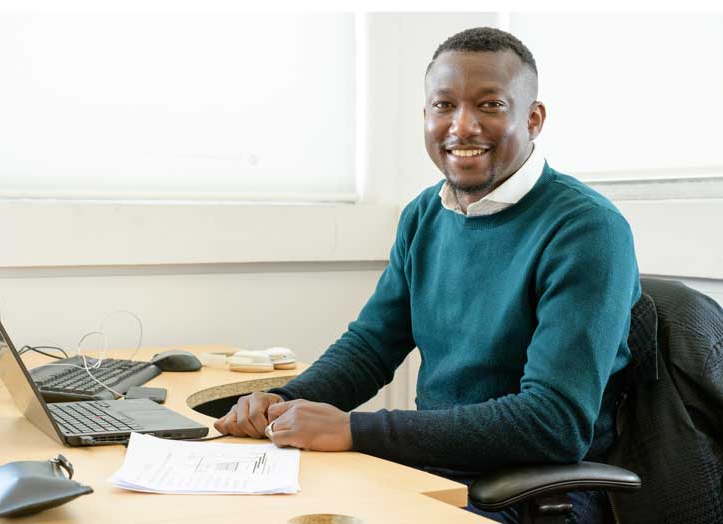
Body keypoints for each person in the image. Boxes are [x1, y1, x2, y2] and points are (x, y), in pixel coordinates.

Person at [214, 27, 640, 523]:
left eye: (490, 105)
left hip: (526, 493)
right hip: (425, 471)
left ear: (534, 118)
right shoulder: (425, 214)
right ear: (425, 116)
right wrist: (284, 401)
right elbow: (371, 347)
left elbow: (553, 421)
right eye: (444, 106)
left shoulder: (587, 229)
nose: (462, 127)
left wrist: (355, 429)